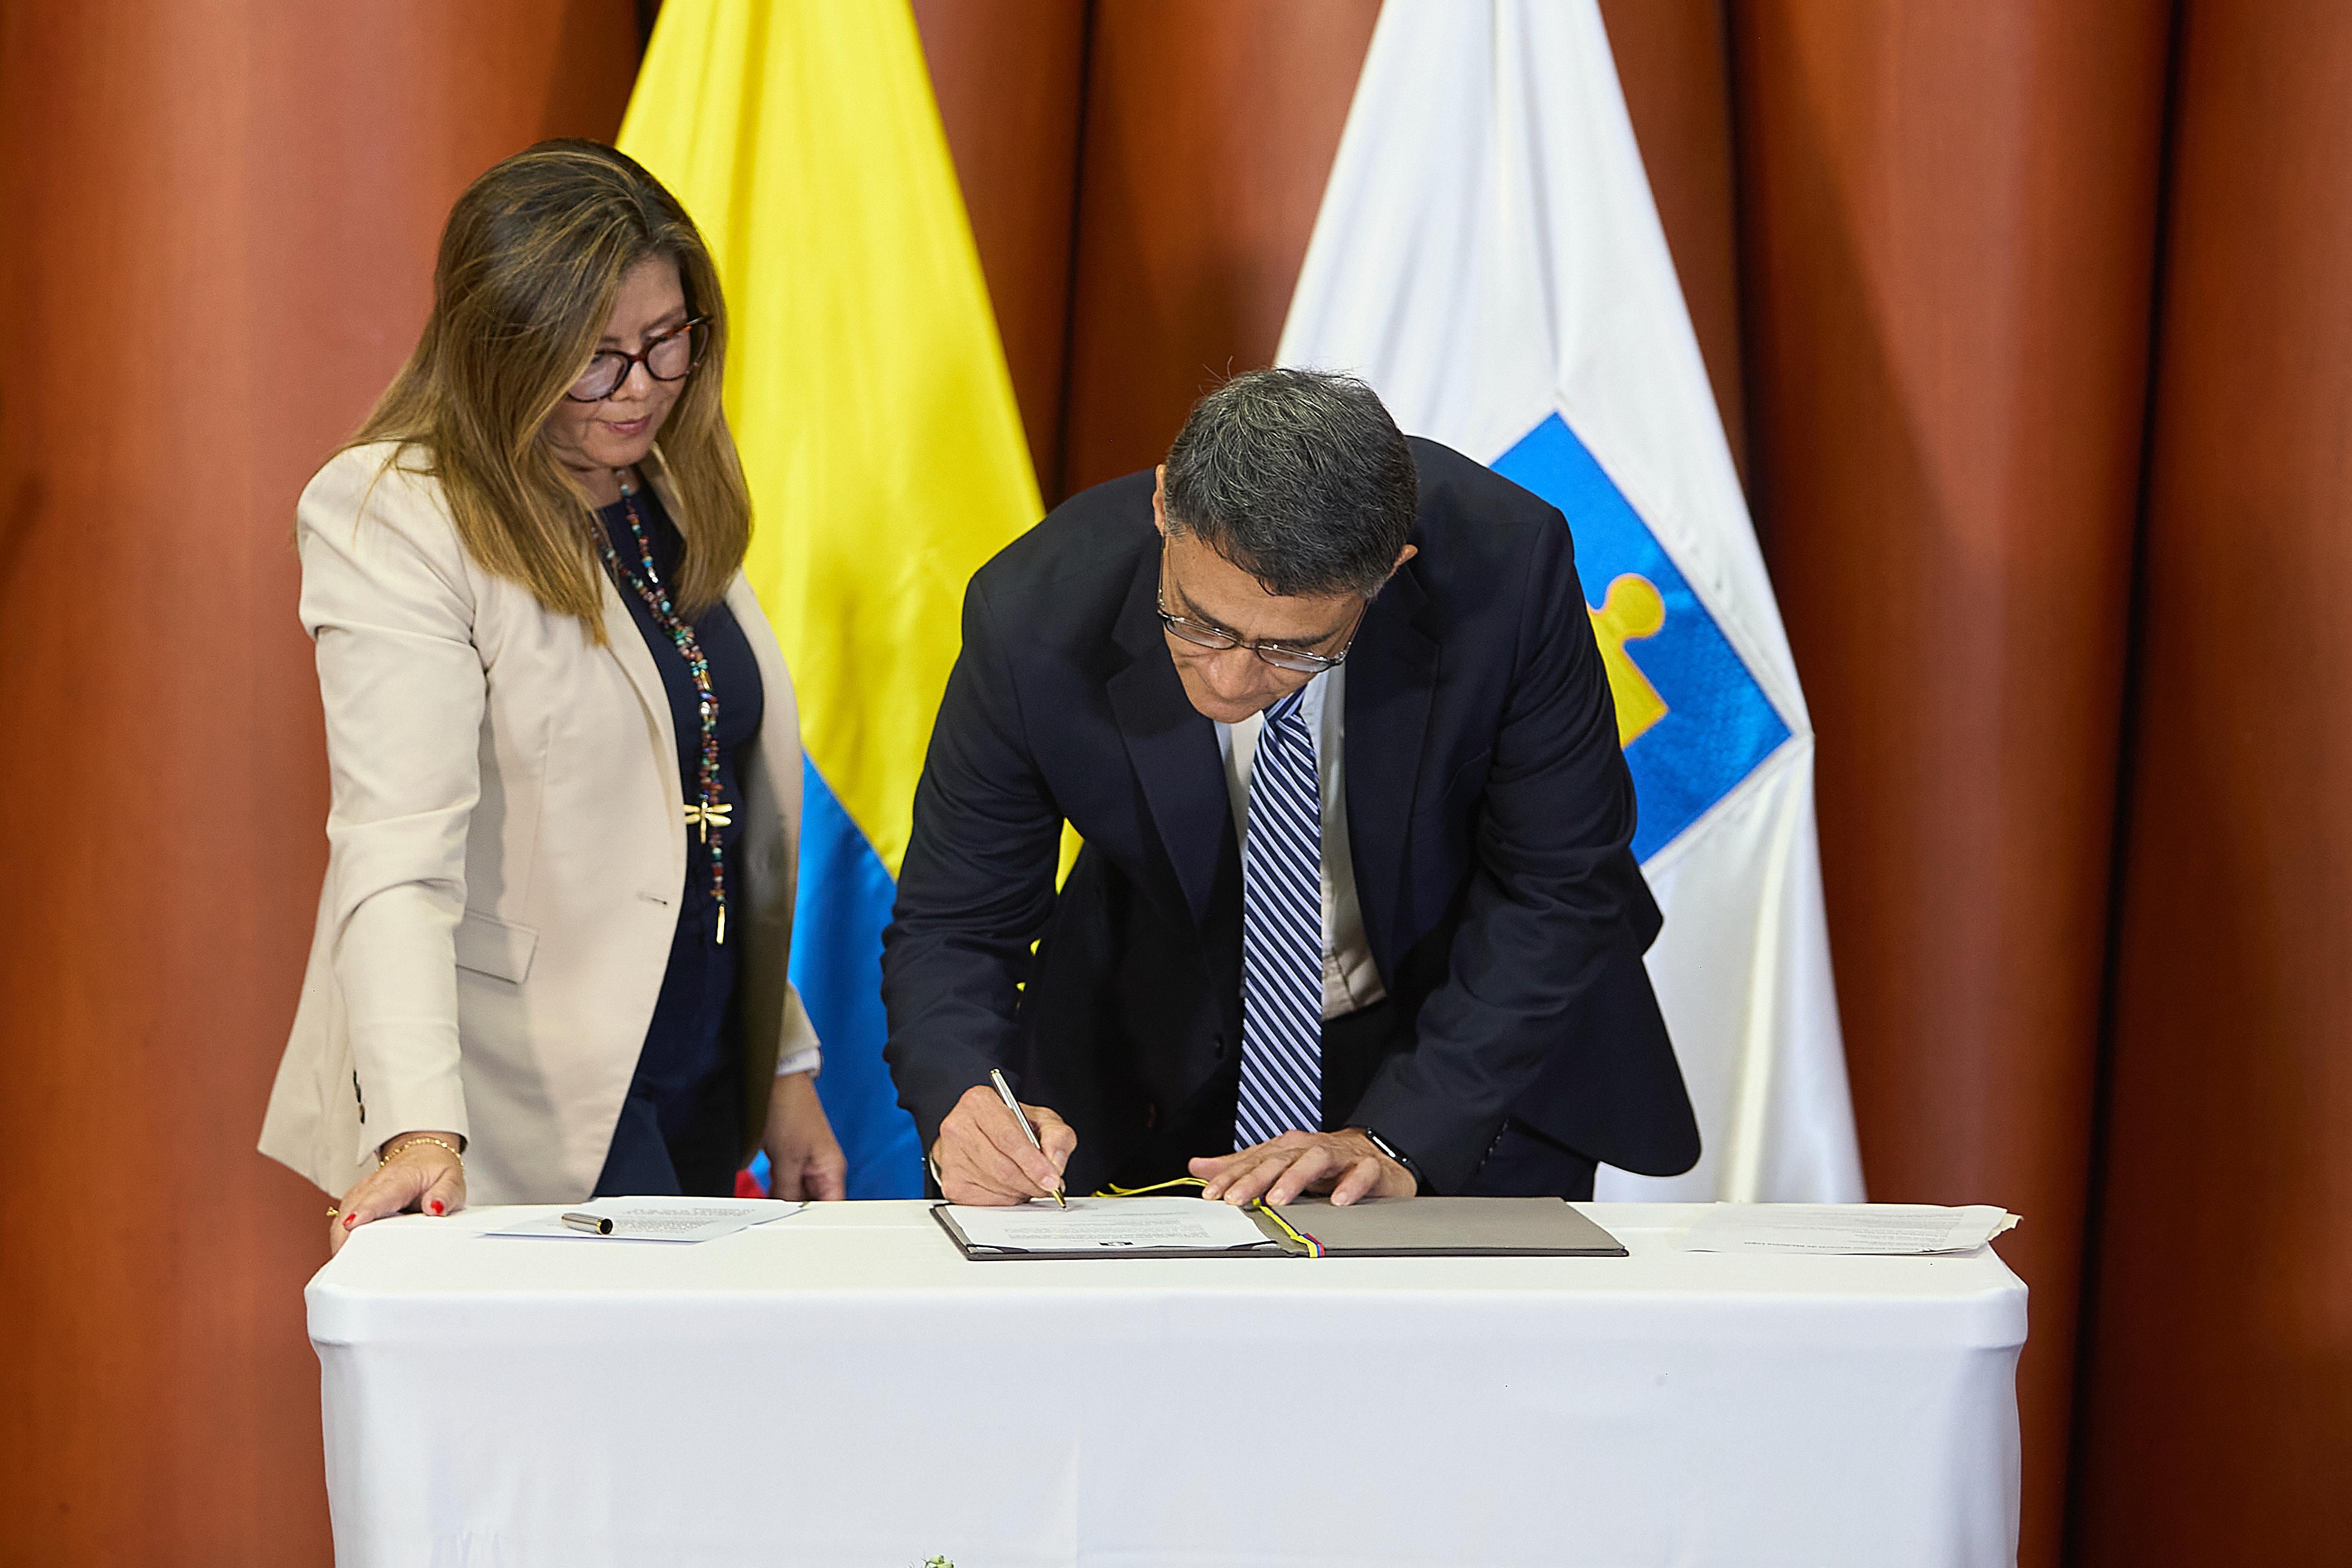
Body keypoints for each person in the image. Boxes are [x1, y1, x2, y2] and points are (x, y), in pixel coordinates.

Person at [883, 369, 1699, 1208]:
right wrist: (967, 1100)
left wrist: (1401, 1136)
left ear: (1390, 572)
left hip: (1472, 1052)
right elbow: (958, 919)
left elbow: (1560, 882)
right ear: (1167, 506)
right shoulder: (1034, 611)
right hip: (1165, 1056)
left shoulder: (1508, 565)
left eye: (1296, 648)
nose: (1233, 681)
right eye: (1198, 621)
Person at [260, 141, 845, 1253]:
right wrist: (419, 1130)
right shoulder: (396, 511)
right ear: (501, 350)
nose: (641, 389)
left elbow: (708, 797)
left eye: (668, 340)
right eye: (595, 359)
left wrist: (782, 1064)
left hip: (695, 1053)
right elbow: (392, 852)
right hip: (516, 1092)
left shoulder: (669, 482)